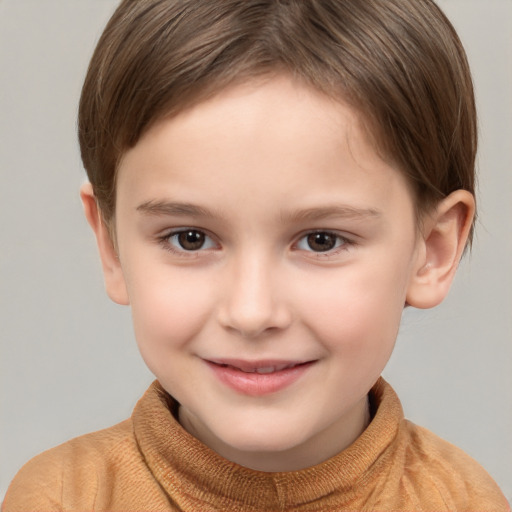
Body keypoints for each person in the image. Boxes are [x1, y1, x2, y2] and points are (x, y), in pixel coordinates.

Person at [3, 0, 509, 510]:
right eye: (190, 238)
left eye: (321, 241)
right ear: (111, 245)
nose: (251, 312)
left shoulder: (464, 501)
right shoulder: (61, 499)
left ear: (433, 250)